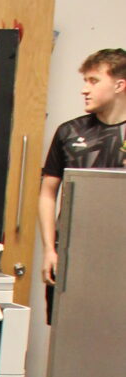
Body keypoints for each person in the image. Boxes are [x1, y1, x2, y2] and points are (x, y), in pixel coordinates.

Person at [39, 45, 126, 293]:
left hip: (119, 253)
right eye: (85, 81)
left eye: (93, 81)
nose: (84, 89)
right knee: (64, 315)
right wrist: (49, 249)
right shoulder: (69, 132)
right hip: (71, 251)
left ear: (119, 85)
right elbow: (47, 194)